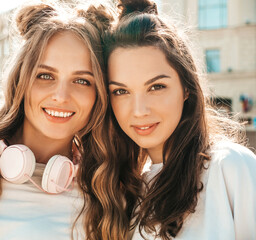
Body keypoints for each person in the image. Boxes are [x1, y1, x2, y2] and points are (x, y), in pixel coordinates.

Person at [0, 1, 128, 239]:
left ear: (98, 95)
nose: (61, 96)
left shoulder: (106, 197)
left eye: (82, 80)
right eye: (45, 75)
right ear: (21, 82)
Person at [103, 0, 256, 239]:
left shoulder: (229, 167)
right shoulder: (127, 193)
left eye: (156, 86)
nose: (139, 110)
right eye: (121, 91)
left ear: (186, 88)